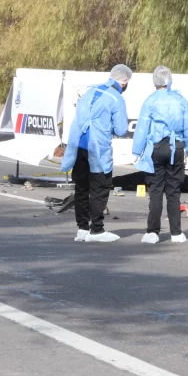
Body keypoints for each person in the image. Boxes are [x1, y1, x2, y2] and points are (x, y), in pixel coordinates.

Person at [61, 64, 132, 242]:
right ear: (123, 82)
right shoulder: (116, 98)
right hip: (97, 147)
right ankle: (97, 230)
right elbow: (122, 129)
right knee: (100, 186)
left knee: (82, 187)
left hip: (78, 145)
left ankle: (82, 228)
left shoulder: (90, 91)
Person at [132, 66, 188, 244]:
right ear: (170, 80)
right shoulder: (181, 100)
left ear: (155, 82)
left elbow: (142, 128)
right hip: (176, 147)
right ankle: (176, 233)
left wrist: (137, 151)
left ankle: (152, 232)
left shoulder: (150, 100)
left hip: (157, 148)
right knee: (174, 192)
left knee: (156, 191)